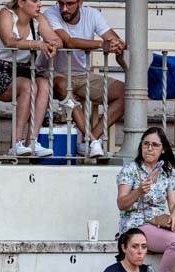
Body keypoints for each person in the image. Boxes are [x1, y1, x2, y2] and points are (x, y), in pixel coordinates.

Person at [0, 0, 59, 158]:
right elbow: (9, 41)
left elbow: (56, 39)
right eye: (34, 1)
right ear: (21, 2)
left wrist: (52, 44)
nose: (39, 4)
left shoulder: (38, 19)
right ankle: (15, 144)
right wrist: (38, 43)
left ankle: (32, 142)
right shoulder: (5, 15)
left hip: (21, 70)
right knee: (29, 86)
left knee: (44, 85)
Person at [44, 0, 125, 159]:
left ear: (80, 2)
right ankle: (93, 140)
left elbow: (114, 39)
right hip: (53, 73)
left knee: (126, 93)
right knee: (62, 85)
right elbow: (68, 41)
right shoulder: (50, 13)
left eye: (70, 3)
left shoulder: (92, 14)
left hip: (82, 75)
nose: (64, 8)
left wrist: (116, 44)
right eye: (61, 3)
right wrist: (103, 44)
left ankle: (89, 142)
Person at [116, 127, 175, 272]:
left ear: (163, 149)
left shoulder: (166, 172)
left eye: (154, 145)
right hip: (137, 223)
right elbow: (121, 203)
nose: (149, 149)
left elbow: (174, 203)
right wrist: (139, 191)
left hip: (159, 220)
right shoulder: (130, 170)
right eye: (146, 144)